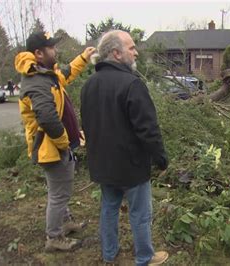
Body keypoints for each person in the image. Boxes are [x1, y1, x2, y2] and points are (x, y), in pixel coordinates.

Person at [81, 30, 169, 265]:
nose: (136, 51)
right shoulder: (132, 84)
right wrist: (161, 159)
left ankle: (109, 255)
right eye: (131, 48)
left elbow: (88, 126)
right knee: (140, 214)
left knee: (109, 209)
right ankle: (144, 257)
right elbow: (148, 129)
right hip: (132, 167)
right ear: (116, 53)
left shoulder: (89, 85)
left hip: (103, 166)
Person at [14, 31, 96, 252]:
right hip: (51, 149)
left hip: (58, 147)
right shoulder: (36, 81)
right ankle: (54, 237)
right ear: (39, 53)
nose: (55, 50)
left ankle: (65, 222)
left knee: (61, 190)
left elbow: (66, 74)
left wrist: (84, 57)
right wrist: (64, 143)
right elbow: (48, 119)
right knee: (59, 194)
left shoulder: (45, 74)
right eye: (51, 48)